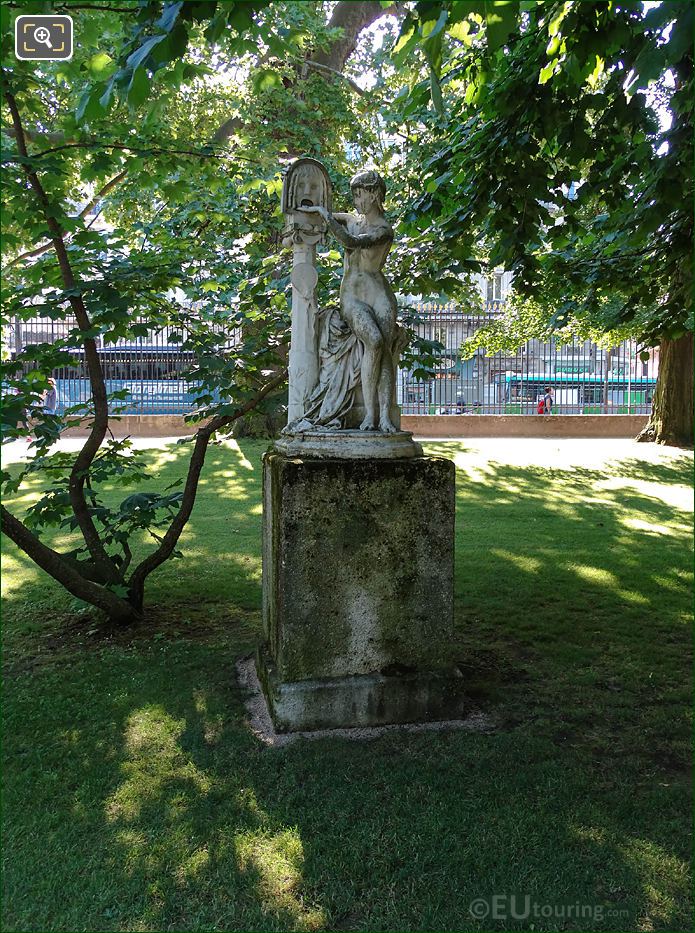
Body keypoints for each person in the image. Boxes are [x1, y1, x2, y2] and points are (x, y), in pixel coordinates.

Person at [298, 168, 398, 433]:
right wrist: (314, 211)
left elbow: (351, 241)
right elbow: (327, 220)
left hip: (379, 295)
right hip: (352, 296)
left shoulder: (383, 229)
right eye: (353, 195)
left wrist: (325, 216)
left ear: (374, 194)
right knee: (374, 342)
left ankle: (385, 418)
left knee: (385, 356)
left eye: (360, 194)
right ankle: (369, 415)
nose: (356, 201)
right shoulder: (352, 220)